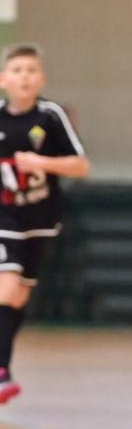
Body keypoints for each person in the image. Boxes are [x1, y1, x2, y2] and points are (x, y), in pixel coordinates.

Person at [0, 43, 91, 403]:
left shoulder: (50, 116)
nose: (24, 77)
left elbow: (80, 165)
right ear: (3, 79)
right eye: (17, 70)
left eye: (31, 70)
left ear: (41, 79)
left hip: (39, 218)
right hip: (3, 217)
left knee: (19, 295)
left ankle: (3, 365)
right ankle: (1, 371)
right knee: (6, 286)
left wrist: (42, 163)